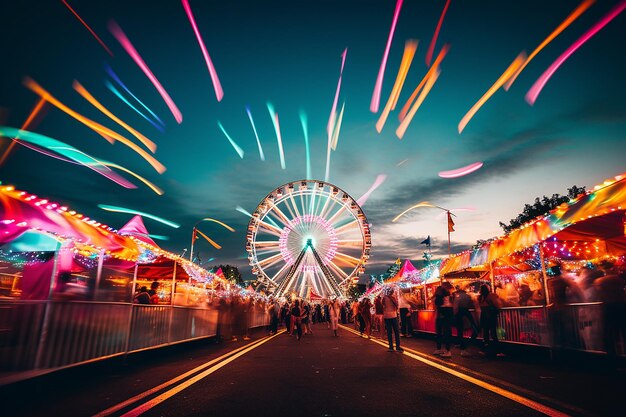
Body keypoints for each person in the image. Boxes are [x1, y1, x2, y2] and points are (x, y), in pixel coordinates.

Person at [478, 284, 504, 356]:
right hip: (490, 315)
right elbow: (497, 304)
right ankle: (497, 351)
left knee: (486, 333)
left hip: (483, 316)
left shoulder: (480, 297)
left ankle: (485, 350)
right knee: (493, 333)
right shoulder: (491, 295)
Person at [453, 286, 479, 356]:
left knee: (460, 331)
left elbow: (455, 307)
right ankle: (468, 342)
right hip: (467, 312)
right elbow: (473, 305)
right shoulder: (468, 296)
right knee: (474, 327)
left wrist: (454, 315)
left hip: (459, 313)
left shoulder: (457, 297)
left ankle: (463, 347)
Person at [434, 282, 454, 357]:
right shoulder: (450, 295)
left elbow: (437, 303)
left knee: (441, 331)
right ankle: (447, 350)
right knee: (447, 331)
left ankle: (445, 350)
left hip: (442, 313)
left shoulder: (440, 294)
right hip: (448, 312)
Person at [382, 286, 402, 352]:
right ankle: (398, 347)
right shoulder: (393, 298)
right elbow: (397, 305)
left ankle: (391, 347)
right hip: (393, 316)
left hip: (386, 316)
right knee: (396, 332)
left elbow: (383, 306)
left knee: (389, 332)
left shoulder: (384, 298)